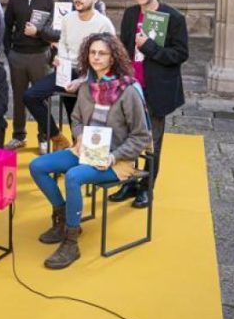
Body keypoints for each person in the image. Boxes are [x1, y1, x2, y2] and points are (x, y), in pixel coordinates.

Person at [28, 32, 151, 269]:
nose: (96, 57)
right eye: (92, 52)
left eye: (102, 53)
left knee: (73, 177)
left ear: (113, 57)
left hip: (117, 159)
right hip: (85, 151)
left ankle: (71, 242)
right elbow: (76, 118)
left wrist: (113, 156)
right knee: (38, 166)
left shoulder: (128, 90)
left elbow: (141, 136)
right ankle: (64, 217)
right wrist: (80, 135)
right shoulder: (87, 86)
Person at [110, 0, 188, 208]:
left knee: (152, 142)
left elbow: (180, 54)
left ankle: (146, 188)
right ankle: (129, 181)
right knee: (127, 138)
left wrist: (149, 47)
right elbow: (123, 49)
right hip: (131, 88)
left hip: (156, 91)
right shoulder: (131, 14)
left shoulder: (174, 17)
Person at [24, 0, 115, 153]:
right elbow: (63, 43)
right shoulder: (68, 19)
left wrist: (82, 80)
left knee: (76, 114)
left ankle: (81, 150)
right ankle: (57, 137)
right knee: (30, 96)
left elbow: (108, 60)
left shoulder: (104, 24)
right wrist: (60, 59)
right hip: (66, 70)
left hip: (91, 75)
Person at [3, 0, 56, 149]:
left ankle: (44, 137)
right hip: (17, 56)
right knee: (18, 97)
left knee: (42, 99)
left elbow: (52, 31)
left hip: (41, 56)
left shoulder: (48, 1)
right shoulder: (14, 0)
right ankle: (19, 135)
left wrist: (38, 33)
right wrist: (8, 52)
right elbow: (7, 27)